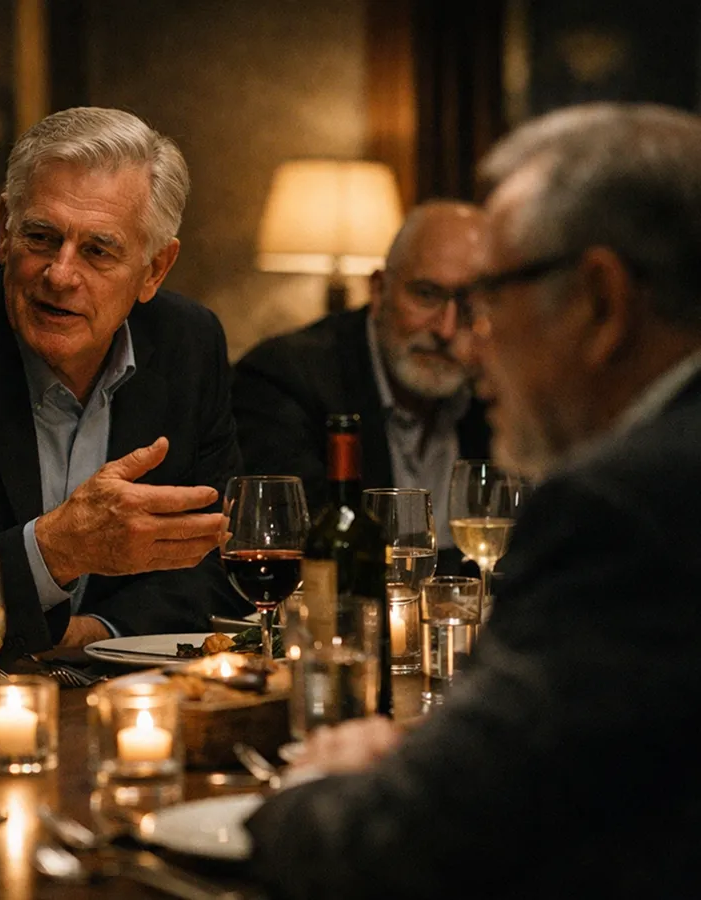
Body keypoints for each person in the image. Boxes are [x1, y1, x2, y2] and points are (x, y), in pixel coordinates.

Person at [246, 102, 701, 898]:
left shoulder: (623, 509)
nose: (473, 335)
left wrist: (314, 788)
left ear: (601, 300)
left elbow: (401, 848)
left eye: (493, 293)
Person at [0, 107, 248, 658]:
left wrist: (90, 636)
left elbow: (214, 558)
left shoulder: (189, 342)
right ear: (4, 230)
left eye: (98, 250)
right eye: (41, 237)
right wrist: (55, 550)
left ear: (155, 269)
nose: (61, 275)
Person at [233, 201, 490, 552]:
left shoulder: (496, 389)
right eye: (426, 295)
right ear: (379, 290)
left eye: (469, 305)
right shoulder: (284, 379)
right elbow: (308, 549)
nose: (446, 329)